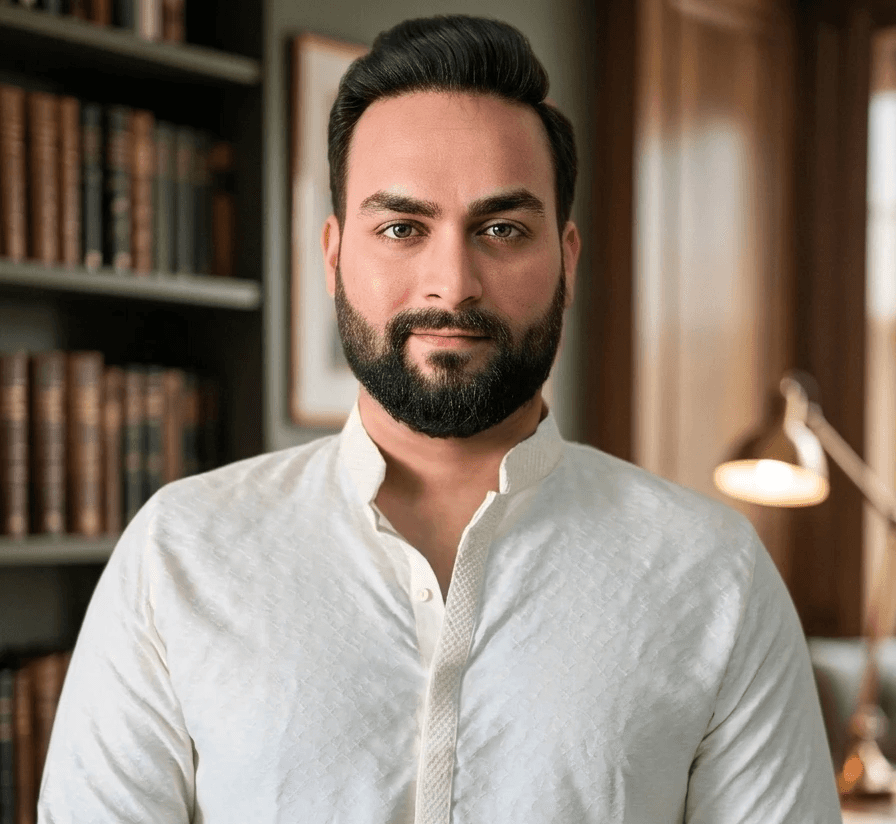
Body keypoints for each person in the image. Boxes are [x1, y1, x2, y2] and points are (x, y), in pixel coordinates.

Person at [38, 15, 841, 823]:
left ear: (566, 259)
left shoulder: (715, 579)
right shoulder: (177, 556)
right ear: (333, 255)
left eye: (502, 229)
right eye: (402, 228)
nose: (452, 284)